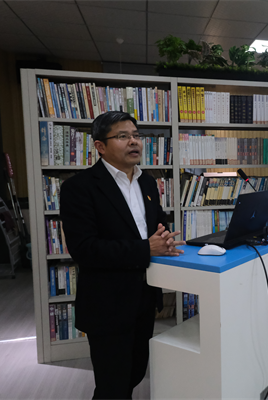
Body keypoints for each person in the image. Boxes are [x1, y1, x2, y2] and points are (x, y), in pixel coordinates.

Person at [60, 111, 185, 399]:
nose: (134, 141)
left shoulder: (147, 183)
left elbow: (157, 225)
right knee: (112, 386)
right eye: (122, 136)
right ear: (100, 146)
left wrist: (164, 238)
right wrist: (146, 248)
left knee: (135, 373)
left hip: (144, 297)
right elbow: (84, 249)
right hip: (107, 303)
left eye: (136, 136)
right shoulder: (79, 188)